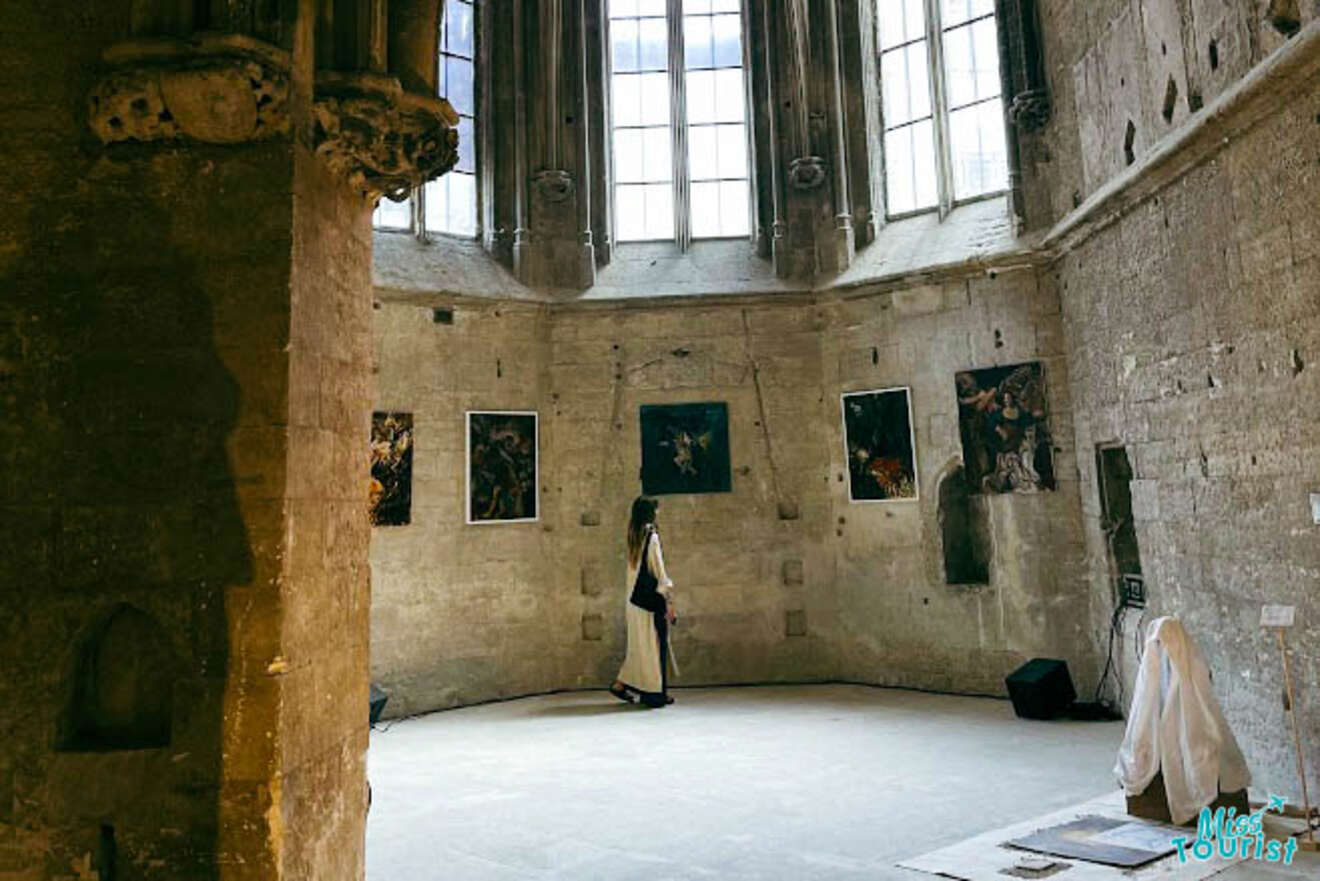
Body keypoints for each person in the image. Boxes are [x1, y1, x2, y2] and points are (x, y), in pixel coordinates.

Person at [610, 496, 677, 708]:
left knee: (640, 647)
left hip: (633, 600)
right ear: (650, 512)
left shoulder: (633, 534)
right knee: (653, 646)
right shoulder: (651, 536)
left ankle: (621, 684)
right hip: (648, 601)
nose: (658, 514)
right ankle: (653, 692)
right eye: (656, 510)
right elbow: (658, 570)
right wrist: (668, 598)